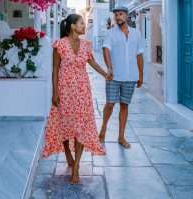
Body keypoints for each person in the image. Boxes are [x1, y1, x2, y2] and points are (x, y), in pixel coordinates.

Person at [41, 14, 108, 184]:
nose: (84, 26)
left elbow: (92, 63)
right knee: (64, 123)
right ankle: (67, 154)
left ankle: (76, 167)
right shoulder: (60, 44)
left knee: (81, 128)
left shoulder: (86, 45)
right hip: (64, 91)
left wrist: (105, 74)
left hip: (83, 91)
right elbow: (55, 69)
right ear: (72, 26)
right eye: (81, 23)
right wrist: (54, 93)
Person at [99, 6, 144, 148]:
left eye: (120, 14)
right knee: (110, 104)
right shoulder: (110, 33)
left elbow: (139, 55)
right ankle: (103, 128)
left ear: (127, 16)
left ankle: (121, 136)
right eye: (116, 15)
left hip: (130, 76)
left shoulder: (136, 34)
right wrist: (109, 68)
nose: (118, 17)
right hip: (114, 76)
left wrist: (140, 75)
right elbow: (106, 50)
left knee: (125, 105)